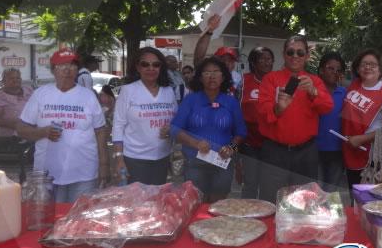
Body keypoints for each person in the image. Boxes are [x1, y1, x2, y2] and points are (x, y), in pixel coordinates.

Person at [17, 49, 108, 202]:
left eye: (72, 66)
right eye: (61, 66)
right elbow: (21, 129)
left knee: (78, 219)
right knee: (49, 219)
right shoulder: (41, 94)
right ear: (53, 70)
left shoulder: (88, 96)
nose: (67, 70)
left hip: (84, 172)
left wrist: (104, 165)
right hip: (47, 174)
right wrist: (43, 132)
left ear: (77, 70)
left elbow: (100, 131)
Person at [257, 35, 333, 202]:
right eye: (290, 52)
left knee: (304, 203)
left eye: (300, 53)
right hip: (275, 151)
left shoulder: (314, 81)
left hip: (306, 152)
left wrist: (313, 92)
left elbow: (327, 107)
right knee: (271, 200)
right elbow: (262, 111)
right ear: (284, 54)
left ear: (307, 56)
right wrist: (278, 109)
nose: (295, 57)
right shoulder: (271, 79)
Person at [171, 57, 246, 202]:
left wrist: (231, 147)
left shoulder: (231, 102)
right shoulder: (190, 100)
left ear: (223, 77)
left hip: (222, 162)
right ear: (200, 77)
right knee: (197, 203)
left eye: (216, 72)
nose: (211, 76)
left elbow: (241, 133)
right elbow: (174, 129)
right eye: (206, 72)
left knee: (218, 206)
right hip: (195, 162)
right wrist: (195, 143)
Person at [112, 47, 177, 185]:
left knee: (157, 201)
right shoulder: (128, 90)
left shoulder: (169, 91)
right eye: (145, 64)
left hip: (162, 158)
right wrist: (119, 158)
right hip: (134, 159)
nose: (150, 68)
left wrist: (171, 129)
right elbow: (118, 125)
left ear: (161, 67)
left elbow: (176, 120)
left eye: (156, 64)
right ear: (137, 67)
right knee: (137, 203)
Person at [341, 49, 382, 191]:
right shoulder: (354, 85)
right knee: (353, 196)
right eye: (363, 64)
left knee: (367, 199)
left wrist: (362, 139)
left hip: (369, 155)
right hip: (348, 149)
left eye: (373, 64)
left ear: (380, 69)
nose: (367, 67)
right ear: (357, 68)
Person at [238, 46, 274, 198]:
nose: (267, 62)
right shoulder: (243, 81)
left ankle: (268, 219)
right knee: (250, 183)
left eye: (269, 59)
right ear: (253, 62)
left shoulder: (277, 81)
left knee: (269, 184)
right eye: (262, 59)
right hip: (249, 144)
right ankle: (247, 217)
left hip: (271, 144)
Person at [316, 52, 347, 191]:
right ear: (321, 70)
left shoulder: (345, 93)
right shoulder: (313, 91)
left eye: (338, 70)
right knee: (315, 192)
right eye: (330, 68)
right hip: (314, 150)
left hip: (337, 151)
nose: (335, 72)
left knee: (331, 193)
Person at [193, 15, 242, 93]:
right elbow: (198, 59)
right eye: (224, 60)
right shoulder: (208, 75)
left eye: (231, 61)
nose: (227, 63)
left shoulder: (238, 78)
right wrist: (209, 31)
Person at [0, 68, 33, 138]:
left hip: (31, 135)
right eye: (11, 78)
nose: (15, 80)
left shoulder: (29, 90)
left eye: (18, 78)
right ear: (4, 81)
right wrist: (16, 125)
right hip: (7, 138)